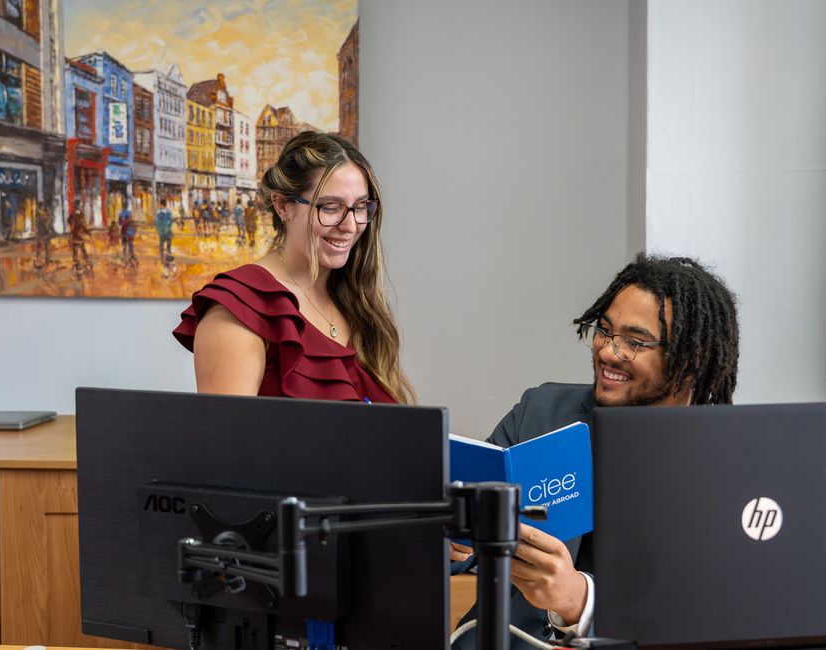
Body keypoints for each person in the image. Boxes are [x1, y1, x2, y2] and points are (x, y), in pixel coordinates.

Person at [451, 253, 740, 649]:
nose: (607, 352)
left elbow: (708, 611)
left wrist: (579, 601)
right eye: (605, 331)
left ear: (689, 361)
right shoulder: (542, 412)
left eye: (634, 342)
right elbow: (461, 544)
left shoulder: (725, 465)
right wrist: (453, 536)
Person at [173, 131, 414, 404]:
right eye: (331, 207)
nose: (350, 226)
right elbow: (227, 443)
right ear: (282, 206)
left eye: (360, 207)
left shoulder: (356, 300)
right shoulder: (238, 308)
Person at [68, 200, 90, 267]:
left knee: (81, 247)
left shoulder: (80, 214)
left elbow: (83, 224)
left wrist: (87, 231)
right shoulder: (74, 214)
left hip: (78, 234)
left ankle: (83, 259)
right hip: (76, 234)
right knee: (77, 248)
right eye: (78, 205)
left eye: (78, 205)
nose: (79, 206)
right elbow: (70, 221)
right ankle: (78, 260)